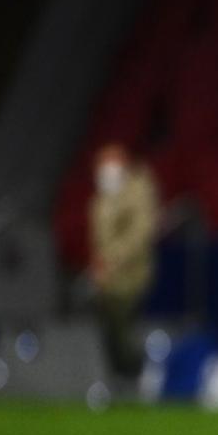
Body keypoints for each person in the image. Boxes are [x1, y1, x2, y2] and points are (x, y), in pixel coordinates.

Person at [88, 142, 160, 381]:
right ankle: (120, 379)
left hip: (133, 276)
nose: (105, 171)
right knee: (110, 333)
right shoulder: (101, 199)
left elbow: (141, 232)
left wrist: (112, 259)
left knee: (126, 332)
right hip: (108, 282)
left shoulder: (138, 190)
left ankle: (140, 375)